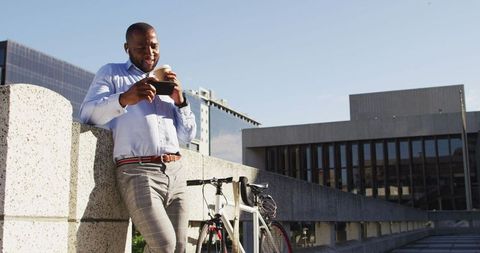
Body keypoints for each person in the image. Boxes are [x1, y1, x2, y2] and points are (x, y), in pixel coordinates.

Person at [79, 22, 196, 253]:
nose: (149, 52)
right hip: (137, 171)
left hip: (176, 171)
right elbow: (87, 114)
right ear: (127, 48)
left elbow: (187, 135)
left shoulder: (166, 82)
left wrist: (181, 101)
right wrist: (124, 98)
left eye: (153, 46)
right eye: (141, 47)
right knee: (164, 245)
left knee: (180, 248)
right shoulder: (112, 73)